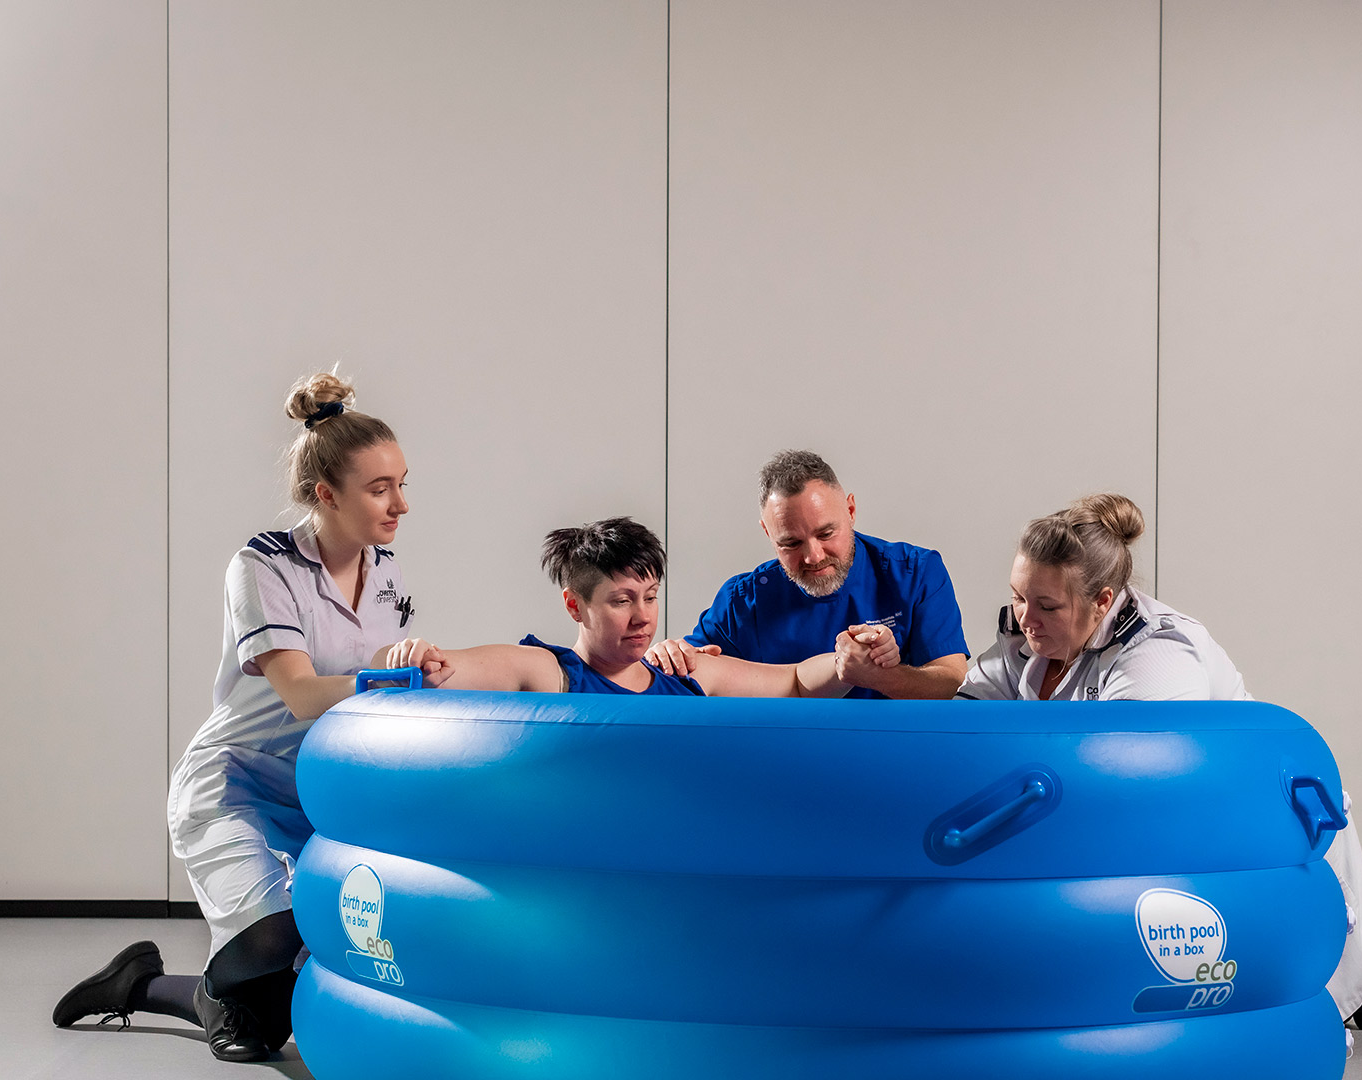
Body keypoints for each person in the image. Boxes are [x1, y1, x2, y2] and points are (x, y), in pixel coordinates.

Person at [52, 371, 445, 1061]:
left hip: (316, 792)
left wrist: (423, 676)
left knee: (269, 1022)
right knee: (281, 938)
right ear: (327, 494)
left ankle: (146, 983)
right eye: (380, 489)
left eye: (402, 483)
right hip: (231, 786)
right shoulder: (261, 565)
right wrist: (393, 674)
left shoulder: (387, 571)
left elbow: (373, 693)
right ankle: (210, 989)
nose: (401, 504)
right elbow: (301, 693)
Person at [956, 493, 1362, 1031]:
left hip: (1244, 826)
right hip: (1154, 831)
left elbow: (1120, 777)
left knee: (1359, 1004)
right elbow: (965, 721)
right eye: (1018, 596)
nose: (1026, 619)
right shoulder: (1029, 633)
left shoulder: (1160, 652)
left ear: (1102, 601)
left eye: (1047, 606)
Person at [647, 450, 968, 699]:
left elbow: (950, 682)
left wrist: (879, 675)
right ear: (768, 533)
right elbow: (686, 674)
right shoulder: (742, 602)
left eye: (827, 533)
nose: (813, 556)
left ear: (851, 511)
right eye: (791, 543)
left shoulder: (914, 571)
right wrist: (665, 655)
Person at [428, 517, 852, 697]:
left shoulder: (684, 672)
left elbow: (795, 681)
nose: (644, 616)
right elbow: (441, 669)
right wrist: (414, 659)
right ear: (574, 605)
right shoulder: (551, 673)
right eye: (622, 601)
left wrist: (850, 658)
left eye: (650, 596)